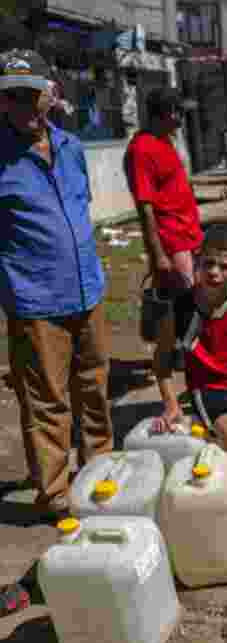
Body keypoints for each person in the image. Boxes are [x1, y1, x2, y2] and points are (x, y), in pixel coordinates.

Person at [0, 49, 113, 513]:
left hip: (88, 289)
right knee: (47, 403)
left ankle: (101, 476)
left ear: (51, 93)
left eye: (31, 94)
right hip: (36, 301)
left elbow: (80, 209)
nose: (22, 105)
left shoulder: (71, 147)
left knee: (94, 390)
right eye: (12, 97)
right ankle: (56, 495)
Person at [151, 226, 227, 452]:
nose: (214, 272)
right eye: (208, 263)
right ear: (197, 262)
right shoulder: (179, 309)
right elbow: (162, 362)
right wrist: (171, 404)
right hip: (209, 389)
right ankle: (208, 437)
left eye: (225, 266)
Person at [124, 87, 203, 298]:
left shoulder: (166, 140)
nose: (183, 119)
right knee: (184, 302)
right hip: (172, 241)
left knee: (197, 298)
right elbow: (145, 208)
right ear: (168, 112)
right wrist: (158, 255)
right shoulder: (141, 150)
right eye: (180, 112)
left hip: (189, 234)